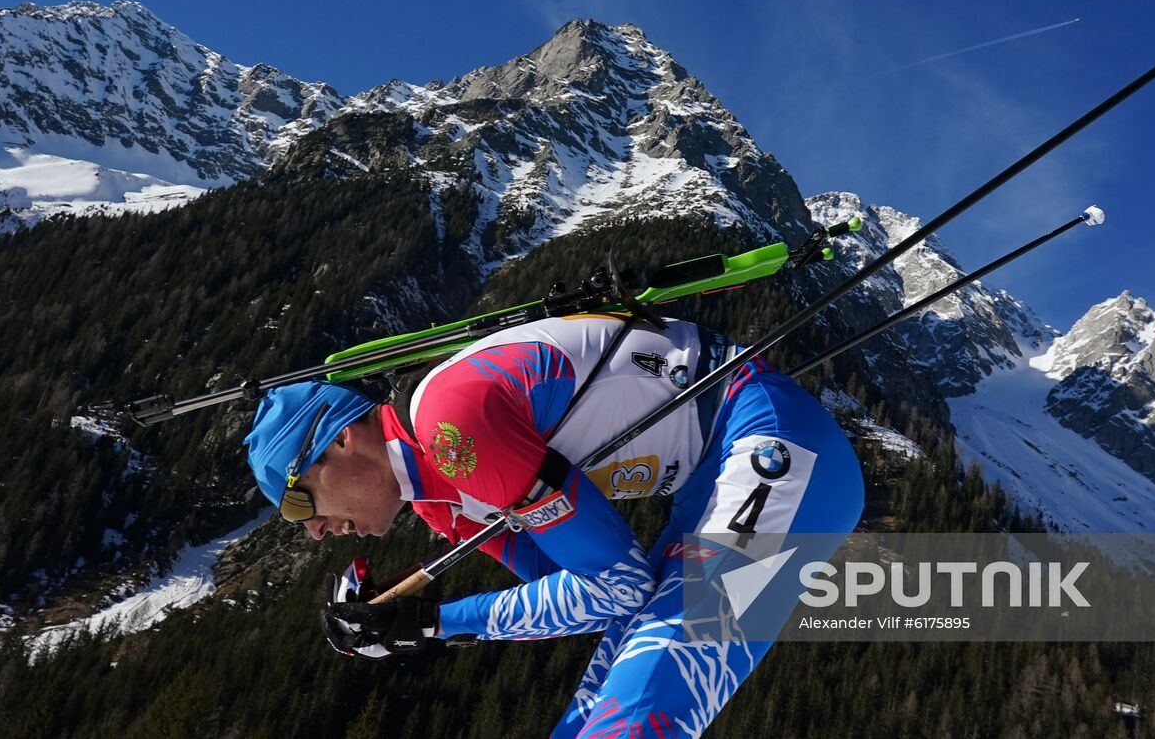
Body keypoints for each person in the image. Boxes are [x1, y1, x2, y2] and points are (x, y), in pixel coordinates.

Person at [244, 313, 864, 738]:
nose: (315, 531)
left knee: (650, 703)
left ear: (342, 442)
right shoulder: (441, 501)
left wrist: (438, 622)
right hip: (707, 485)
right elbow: (583, 593)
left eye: (300, 505)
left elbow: (614, 587)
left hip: (772, 441)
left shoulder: (450, 427)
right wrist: (419, 624)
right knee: (596, 715)